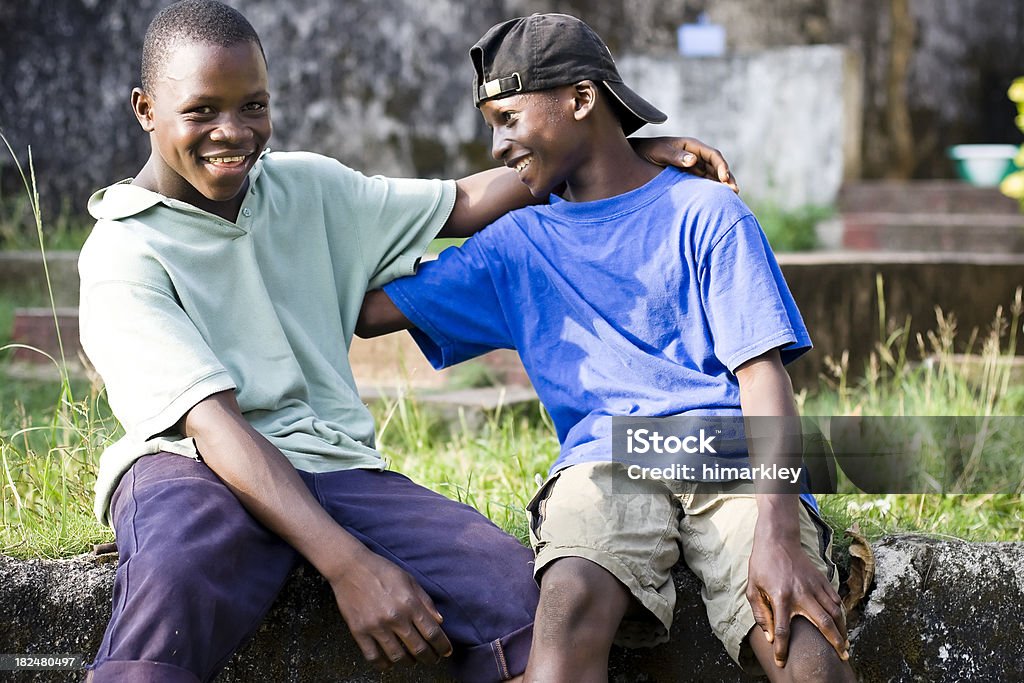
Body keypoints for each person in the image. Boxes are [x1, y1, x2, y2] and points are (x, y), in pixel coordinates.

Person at [78, 2, 736, 681]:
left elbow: (464, 200)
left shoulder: (307, 186)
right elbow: (215, 429)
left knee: (519, 597)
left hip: (333, 464)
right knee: (178, 576)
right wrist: (349, 564)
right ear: (145, 108)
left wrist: (607, 153)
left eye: (254, 106)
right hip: (193, 465)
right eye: (202, 111)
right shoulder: (124, 254)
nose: (233, 131)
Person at [358, 13, 857, 683]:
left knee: (799, 636)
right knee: (566, 608)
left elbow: (764, 380)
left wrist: (775, 536)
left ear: (582, 100)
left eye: (508, 119)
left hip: (727, 449)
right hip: (606, 457)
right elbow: (366, 310)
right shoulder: (516, 245)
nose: (499, 145)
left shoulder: (706, 213)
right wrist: (547, 172)